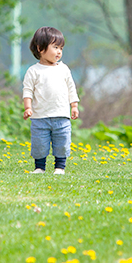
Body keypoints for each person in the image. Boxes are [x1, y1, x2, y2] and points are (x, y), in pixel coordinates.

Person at [23, 26, 79, 175]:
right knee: (39, 144)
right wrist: (28, 107)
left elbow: (71, 88)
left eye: (61, 48)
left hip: (61, 115)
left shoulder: (64, 69)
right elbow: (28, 91)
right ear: (40, 48)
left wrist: (74, 106)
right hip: (40, 117)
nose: (59, 51)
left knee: (62, 143)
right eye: (55, 47)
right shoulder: (33, 71)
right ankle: (39, 167)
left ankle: (60, 167)